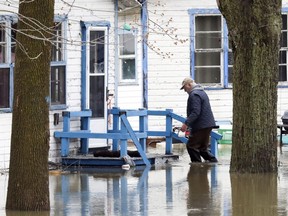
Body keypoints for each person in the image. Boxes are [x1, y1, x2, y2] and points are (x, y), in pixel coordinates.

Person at [180, 77, 218, 163]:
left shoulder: (194, 94)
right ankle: (213, 163)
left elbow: (195, 112)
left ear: (189, 85)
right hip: (208, 124)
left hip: (201, 125)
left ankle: (196, 169)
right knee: (202, 148)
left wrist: (186, 124)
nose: (185, 91)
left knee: (191, 146)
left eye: (185, 88)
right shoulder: (202, 92)